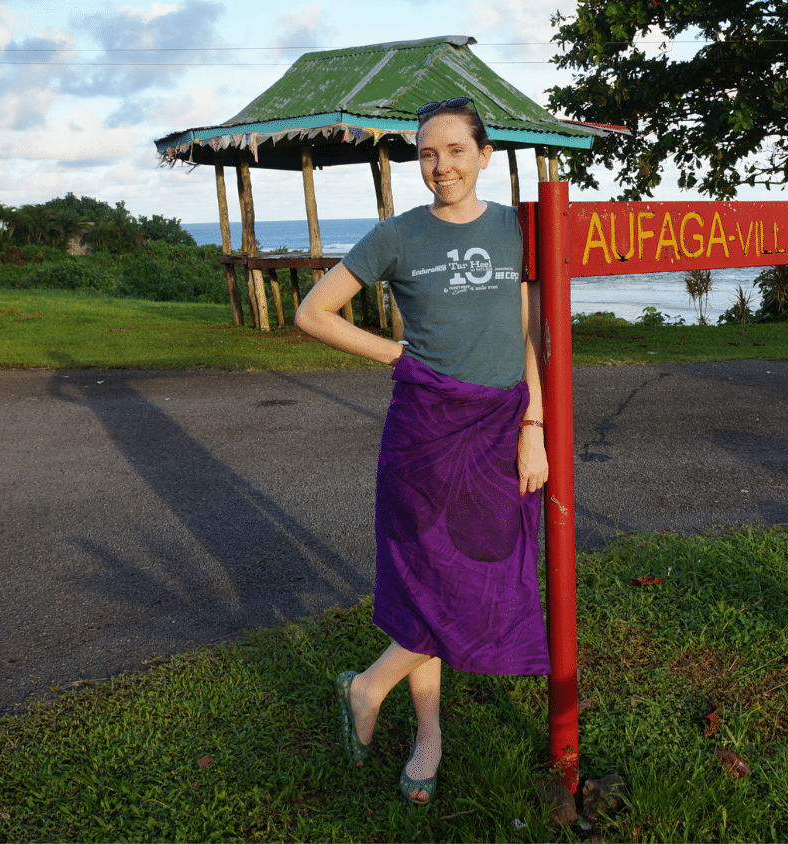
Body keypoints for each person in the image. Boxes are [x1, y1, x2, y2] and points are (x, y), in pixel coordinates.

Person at [293, 96, 550, 806]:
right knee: (424, 585)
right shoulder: (397, 236)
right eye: (428, 154)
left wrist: (536, 426)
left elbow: (529, 335)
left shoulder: (516, 230)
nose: (442, 166)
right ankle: (428, 737)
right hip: (422, 433)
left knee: (476, 579)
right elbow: (312, 312)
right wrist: (396, 355)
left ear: (485, 154)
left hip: (501, 426)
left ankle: (369, 684)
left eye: (456, 151)